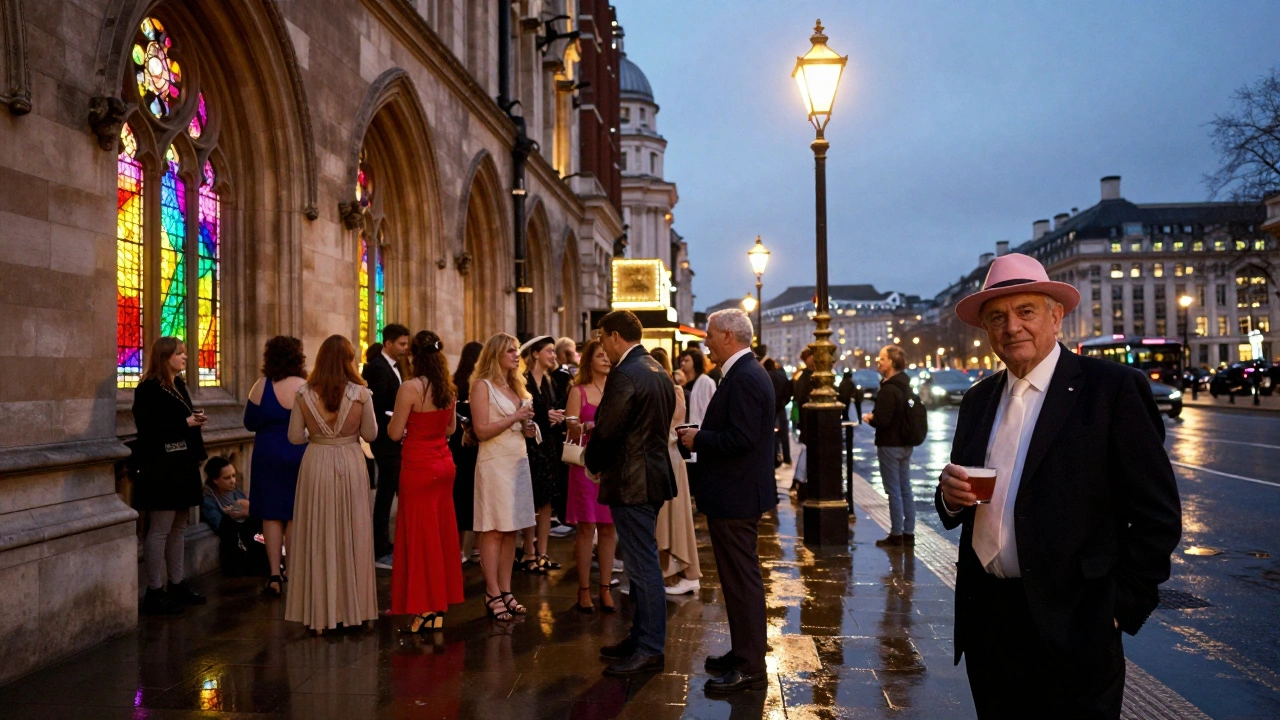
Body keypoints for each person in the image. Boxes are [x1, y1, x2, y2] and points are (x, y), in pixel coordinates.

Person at [935, 253, 1182, 719]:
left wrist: (1118, 609)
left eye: (1025, 311)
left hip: (1075, 622)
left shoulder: (1111, 389)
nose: (1012, 327)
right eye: (997, 317)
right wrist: (949, 498)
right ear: (986, 330)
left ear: (1056, 316)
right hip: (989, 619)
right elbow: (960, 498)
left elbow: (1158, 514)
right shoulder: (978, 399)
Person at [677, 309, 777, 695]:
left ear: (729, 336)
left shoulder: (746, 376)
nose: (705, 342)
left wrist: (698, 439)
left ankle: (750, 666)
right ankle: (742, 652)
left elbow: (743, 438)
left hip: (737, 494)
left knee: (741, 580)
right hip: (733, 492)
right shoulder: (742, 372)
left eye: (710, 334)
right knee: (735, 581)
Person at [587, 310, 677, 677]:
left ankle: (650, 647)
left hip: (631, 481)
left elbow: (608, 428)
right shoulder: (657, 369)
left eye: (602, 337)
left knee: (643, 566)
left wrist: (592, 461)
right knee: (642, 562)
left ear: (614, 336)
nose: (602, 345)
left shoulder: (625, 373)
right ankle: (640, 637)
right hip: (652, 477)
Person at [286, 335, 380, 634]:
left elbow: (294, 437)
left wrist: (317, 435)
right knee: (353, 532)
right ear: (349, 360)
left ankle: (320, 613)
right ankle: (354, 610)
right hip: (350, 462)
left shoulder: (303, 394)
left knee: (319, 532)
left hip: (316, 462)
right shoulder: (361, 394)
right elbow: (371, 435)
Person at [386, 330, 464, 633]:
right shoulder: (448, 388)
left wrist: (406, 427)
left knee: (419, 539)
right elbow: (450, 429)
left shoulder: (410, 388)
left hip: (418, 467)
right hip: (443, 465)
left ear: (413, 356)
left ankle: (425, 608)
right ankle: (437, 606)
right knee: (440, 536)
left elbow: (394, 433)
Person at [131, 336, 208, 615]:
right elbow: (148, 428)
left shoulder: (178, 385)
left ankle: (176, 583)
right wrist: (185, 422)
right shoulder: (148, 389)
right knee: (160, 529)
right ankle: (154, 590)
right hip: (161, 467)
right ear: (165, 357)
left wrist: (194, 420)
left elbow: (181, 421)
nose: (185, 357)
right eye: (179, 353)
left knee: (178, 528)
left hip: (182, 464)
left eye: (184, 353)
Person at [471, 333, 539, 622]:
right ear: (495, 354)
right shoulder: (482, 386)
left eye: (516, 350)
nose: (516, 355)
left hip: (518, 461)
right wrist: (515, 418)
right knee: (494, 529)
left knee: (512, 529)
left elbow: (521, 426)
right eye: (510, 351)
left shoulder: (516, 385)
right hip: (495, 463)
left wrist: (528, 428)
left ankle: (506, 589)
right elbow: (481, 431)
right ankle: (492, 592)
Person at [243, 335, 307, 596]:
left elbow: (249, 422)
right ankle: (291, 571)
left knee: (270, 514)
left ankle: (273, 575)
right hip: (297, 452)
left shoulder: (261, 385)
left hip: (267, 453)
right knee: (292, 514)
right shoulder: (304, 386)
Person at [564, 337, 617, 613]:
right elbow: (571, 430)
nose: (606, 359)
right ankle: (583, 589)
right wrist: (588, 426)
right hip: (584, 465)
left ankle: (605, 588)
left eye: (608, 355)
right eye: (600, 355)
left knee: (609, 528)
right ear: (589, 360)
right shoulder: (578, 391)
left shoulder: (618, 388)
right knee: (586, 527)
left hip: (611, 465)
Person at [650, 347, 702, 596]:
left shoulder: (668, 391)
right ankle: (674, 569)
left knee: (669, 514)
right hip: (670, 456)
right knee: (673, 515)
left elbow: (671, 426)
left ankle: (673, 571)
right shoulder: (676, 390)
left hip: (665, 456)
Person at [519, 335, 567, 573]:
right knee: (531, 500)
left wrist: (557, 417)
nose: (553, 356)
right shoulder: (523, 381)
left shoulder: (549, 381)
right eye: (549, 351)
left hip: (548, 445)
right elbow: (522, 412)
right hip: (530, 448)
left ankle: (543, 552)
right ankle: (529, 551)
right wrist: (544, 416)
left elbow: (552, 409)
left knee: (547, 500)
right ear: (535, 354)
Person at [365, 323, 410, 569]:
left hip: (396, 438)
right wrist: (398, 420)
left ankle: (390, 542)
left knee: (393, 489)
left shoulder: (396, 366)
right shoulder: (377, 367)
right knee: (385, 492)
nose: (405, 348)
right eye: (401, 344)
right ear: (388, 343)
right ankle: (379, 547)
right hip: (385, 439)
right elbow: (378, 405)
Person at [862, 345, 915, 548]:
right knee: (905, 488)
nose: (878, 362)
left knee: (893, 490)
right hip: (906, 443)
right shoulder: (906, 385)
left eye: (882, 359)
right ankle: (909, 532)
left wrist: (871, 418)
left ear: (891, 362)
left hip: (890, 445)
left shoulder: (888, 389)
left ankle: (896, 533)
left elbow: (883, 420)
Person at [200, 457, 268, 577]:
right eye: (227, 478)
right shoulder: (209, 499)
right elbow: (221, 524)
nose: (232, 481)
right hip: (234, 542)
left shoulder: (236, 491)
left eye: (233, 476)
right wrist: (239, 510)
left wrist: (246, 510)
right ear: (215, 480)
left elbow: (248, 509)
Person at [449, 341, 484, 563]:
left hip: (458, 447)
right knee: (478, 495)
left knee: (460, 496)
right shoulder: (479, 384)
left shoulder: (454, 382)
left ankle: (459, 548)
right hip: (476, 445)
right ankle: (478, 547)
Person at [764, 358, 793, 466]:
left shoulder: (765, 377)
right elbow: (789, 392)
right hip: (781, 408)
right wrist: (784, 402)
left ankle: (774, 458)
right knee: (784, 434)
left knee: (771, 435)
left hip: (770, 409)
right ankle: (786, 457)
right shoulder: (781, 376)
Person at [679, 347, 716, 426]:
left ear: (695, 362)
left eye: (686, 360)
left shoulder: (706, 382)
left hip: (700, 426)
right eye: (682, 361)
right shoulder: (681, 383)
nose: (682, 363)